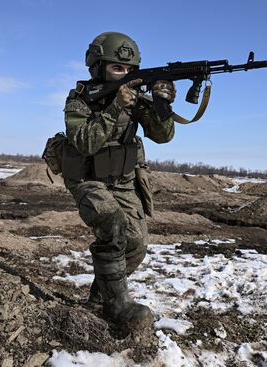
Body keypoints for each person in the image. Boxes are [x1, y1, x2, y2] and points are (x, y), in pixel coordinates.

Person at [60, 32, 176, 331]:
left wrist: (162, 105)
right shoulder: (80, 100)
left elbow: (163, 137)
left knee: (136, 244)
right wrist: (115, 108)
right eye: (117, 69)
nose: (125, 76)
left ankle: (100, 301)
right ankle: (119, 305)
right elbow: (85, 143)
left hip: (123, 180)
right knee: (112, 225)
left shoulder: (135, 98)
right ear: (98, 67)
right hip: (88, 179)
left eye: (129, 70)